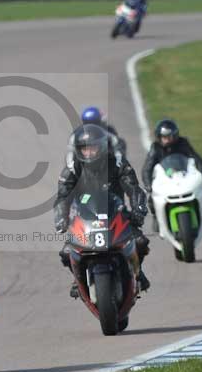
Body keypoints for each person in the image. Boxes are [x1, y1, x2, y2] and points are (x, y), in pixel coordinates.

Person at [54, 124, 151, 296]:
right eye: (85, 149)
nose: (89, 153)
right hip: (84, 218)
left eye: (93, 148)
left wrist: (139, 209)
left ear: (103, 147)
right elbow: (63, 196)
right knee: (66, 252)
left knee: (140, 242)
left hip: (117, 214)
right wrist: (61, 217)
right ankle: (78, 279)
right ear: (78, 150)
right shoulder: (73, 168)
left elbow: (134, 189)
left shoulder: (118, 163)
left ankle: (137, 272)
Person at [141, 119, 202, 232]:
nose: (167, 139)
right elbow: (147, 168)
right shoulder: (155, 148)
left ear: (175, 135)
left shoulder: (183, 143)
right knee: (152, 197)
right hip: (164, 179)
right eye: (164, 137)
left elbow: (197, 159)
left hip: (184, 177)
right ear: (159, 137)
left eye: (170, 136)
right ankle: (157, 218)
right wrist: (148, 185)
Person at [66, 106, 127, 171]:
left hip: (106, 162)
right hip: (84, 163)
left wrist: (119, 159)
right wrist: (70, 166)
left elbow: (118, 145)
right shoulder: (77, 134)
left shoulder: (108, 131)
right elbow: (71, 150)